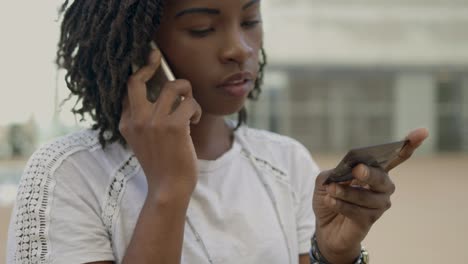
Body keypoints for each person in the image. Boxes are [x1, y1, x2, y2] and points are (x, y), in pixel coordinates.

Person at [6, 0, 429, 263]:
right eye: (202, 29)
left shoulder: (286, 163)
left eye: (250, 19)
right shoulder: (68, 175)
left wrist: (334, 256)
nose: (239, 48)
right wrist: (168, 190)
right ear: (140, 49)